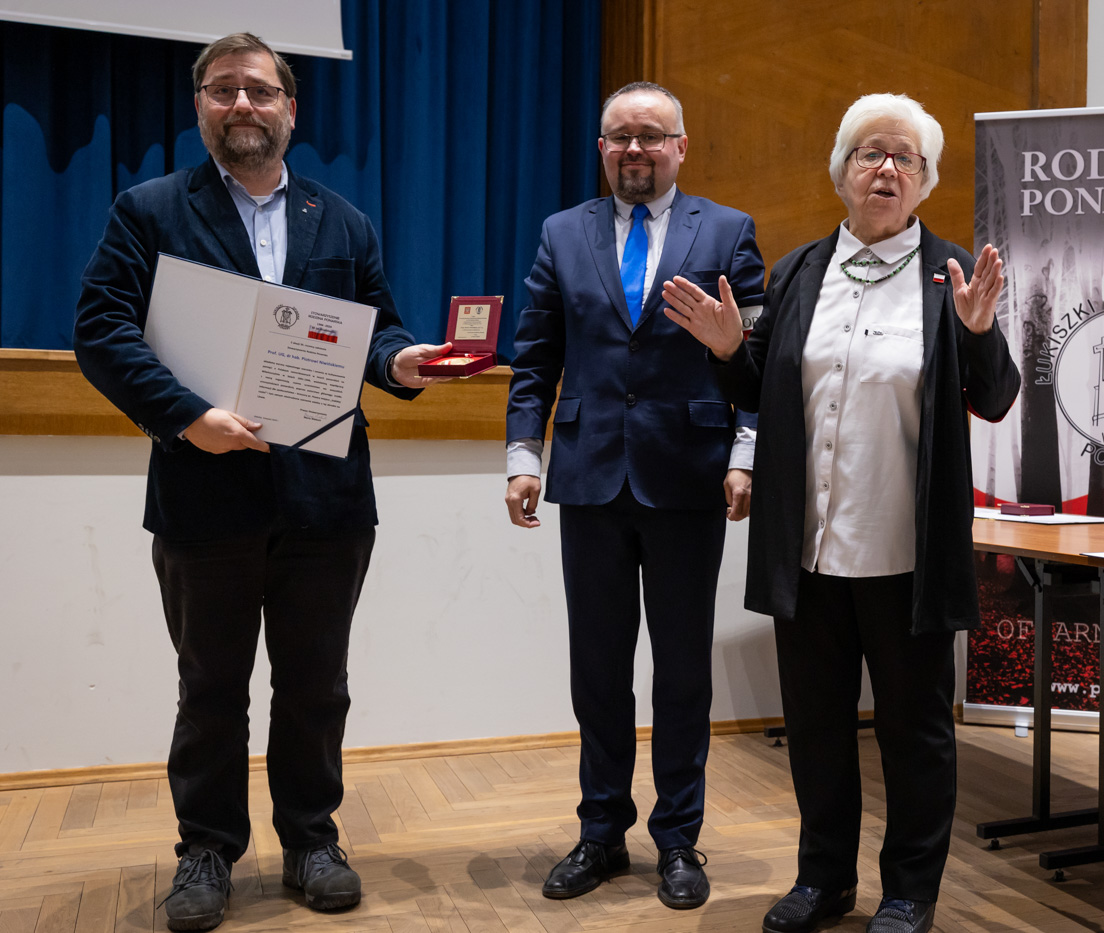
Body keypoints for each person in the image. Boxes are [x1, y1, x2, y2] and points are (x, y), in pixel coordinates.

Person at [73, 32, 451, 932]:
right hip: (203, 498)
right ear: (199, 106)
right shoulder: (148, 210)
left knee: (318, 685)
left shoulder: (342, 220)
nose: (242, 104)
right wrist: (186, 415)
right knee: (211, 688)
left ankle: (312, 840)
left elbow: (376, 330)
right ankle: (205, 849)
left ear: (290, 107)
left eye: (259, 90)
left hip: (327, 501)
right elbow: (101, 329)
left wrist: (402, 364)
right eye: (223, 90)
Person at [663, 93, 1020, 933]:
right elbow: (762, 386)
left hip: (906, 555)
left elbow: (997, 396)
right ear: (842, 171)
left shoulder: (951, 273)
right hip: (809, 552)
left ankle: (909, 891)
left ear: (925, 180)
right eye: (870, 153)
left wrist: (977, 333)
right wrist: (727, 351)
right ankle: (823, 879)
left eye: (905, 157)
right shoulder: (798, 272)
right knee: (816, 726)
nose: (886, 169)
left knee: (913, 732)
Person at [504, 81, 765, 909]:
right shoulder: (562, 232)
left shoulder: (727, 230)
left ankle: (678, 838)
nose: (635, 149)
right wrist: (523, 454)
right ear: (602, 149)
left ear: (680, 146)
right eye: (620, 136)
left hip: (689, 476)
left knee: (682, 670)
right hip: (588, 477)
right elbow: (535, 354)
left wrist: (746, 452)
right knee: (598, 669)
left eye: (651, 135)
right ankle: (601, 832)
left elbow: (757, 361)